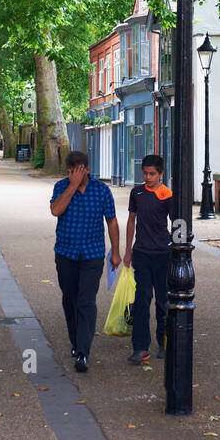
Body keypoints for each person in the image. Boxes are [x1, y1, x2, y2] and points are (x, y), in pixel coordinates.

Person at [50, 151, 120, 373]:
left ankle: (83, 352)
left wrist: (116, 251)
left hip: (92, 254)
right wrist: (72, 186)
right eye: (70, 171)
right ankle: (75, 341)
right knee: (70, 299)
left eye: (78, 171)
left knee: (86, 301)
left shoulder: (101, 190)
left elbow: (111, 221)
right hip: (66, 253)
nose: (74, 174)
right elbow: (55, 210)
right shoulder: (61, 187)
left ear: (87, 170)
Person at [124, 153, 174, 365]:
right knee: (142, 301)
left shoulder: (167, 195)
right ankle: (140, 347)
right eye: (145, 173)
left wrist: (178, 249)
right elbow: (131, 221)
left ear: (161, 174)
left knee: (163, 302)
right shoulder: (136, 193)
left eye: (152, 174)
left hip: (163, 254)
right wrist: (127, 250)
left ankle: (164, 344)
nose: (148, 177)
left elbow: (176, 222)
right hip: (142, 253)